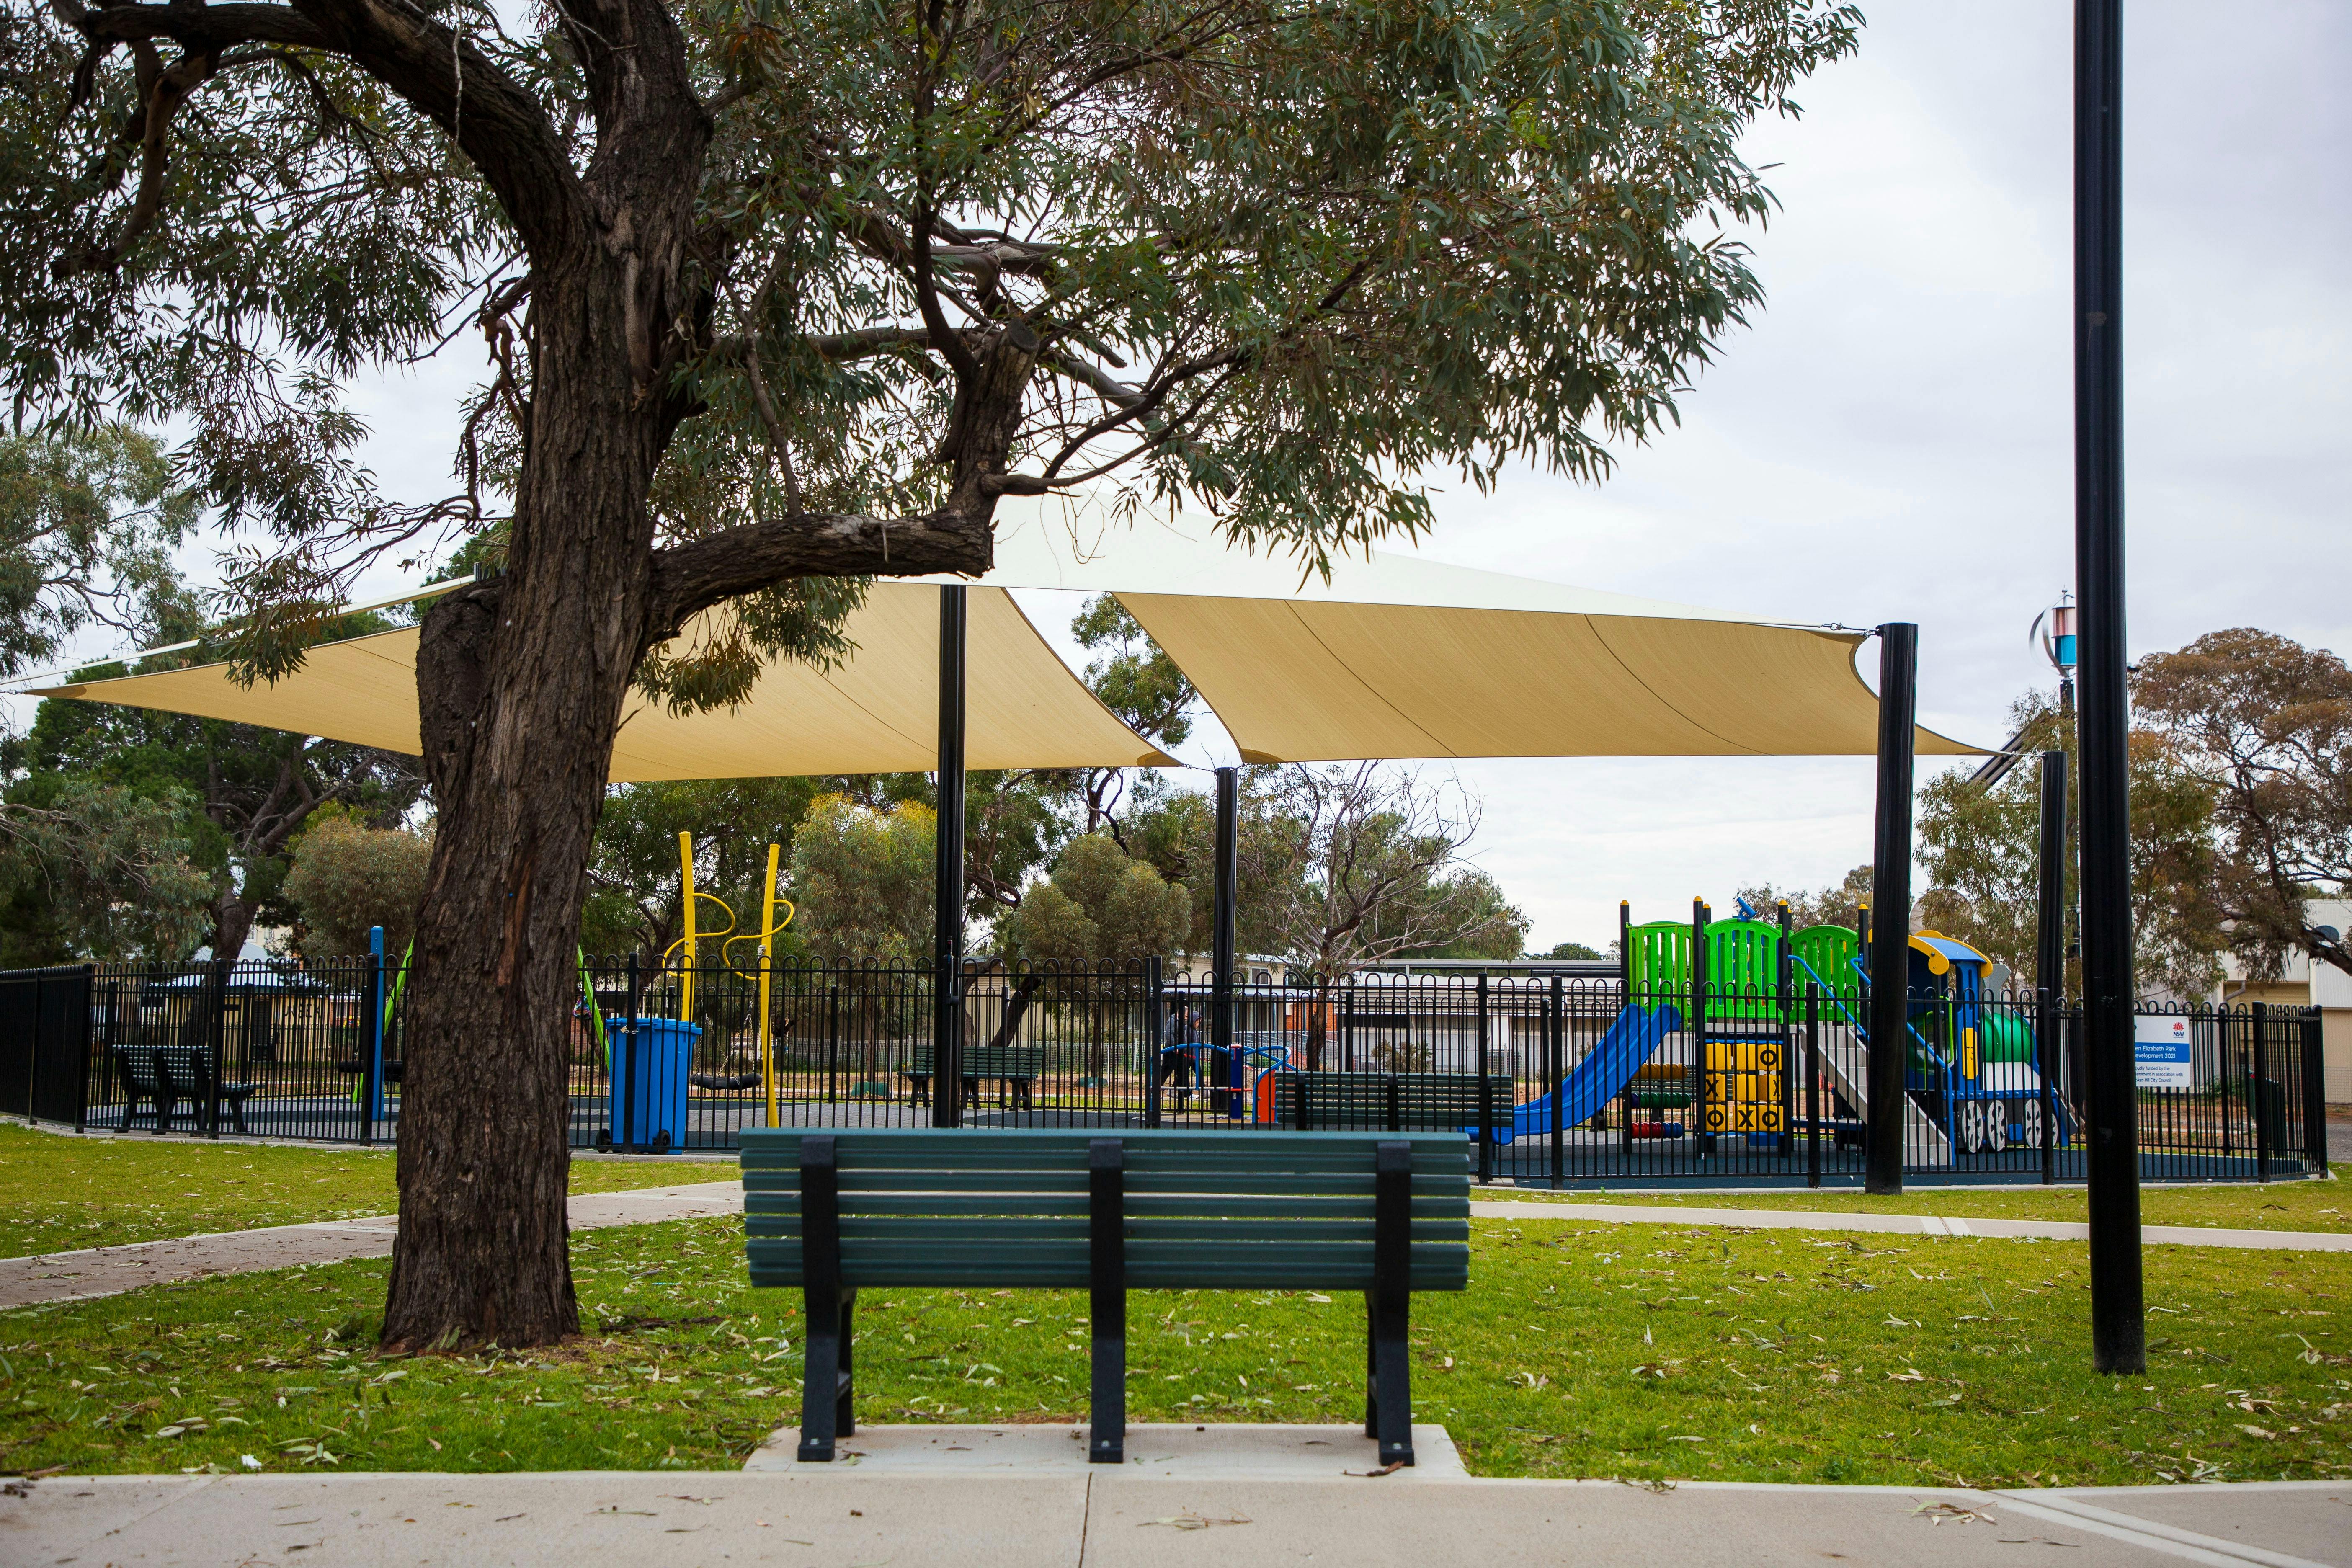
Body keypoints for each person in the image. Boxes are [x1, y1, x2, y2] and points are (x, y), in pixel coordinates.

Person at [1156, 1003, 1203, 1108]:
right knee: (1166, 1071)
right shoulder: (1173, 1021)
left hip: (1179, 1052)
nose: (1187, 1019)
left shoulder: (1180, 1023)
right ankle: (1155, 1089)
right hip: (1172, 1052)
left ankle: (1186, 1093)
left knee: (1183, 1073)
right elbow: (1168, 1034)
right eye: (1186, 1016)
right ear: (1180, 1014)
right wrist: (1175, 1046)